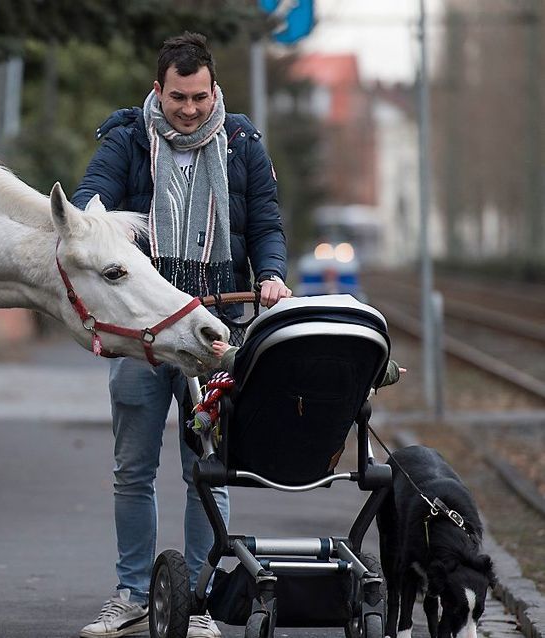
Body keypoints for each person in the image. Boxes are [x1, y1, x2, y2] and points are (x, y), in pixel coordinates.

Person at [70, 33, 292, 638]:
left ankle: (199, 599)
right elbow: (93, 203)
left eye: (199, 97)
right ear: (157, 91)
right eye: (177, 98)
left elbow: (266, 221)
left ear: (214, 89)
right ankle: (133, 593)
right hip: (143, 333)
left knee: (209, 470)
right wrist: (89, 221)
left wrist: (270, 273)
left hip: (216, 332)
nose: (189, 109)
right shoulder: (126, 138)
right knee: (132, 469)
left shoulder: (241, 141)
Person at [211, 340, 407, 387]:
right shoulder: (342, 371)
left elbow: (251, 367)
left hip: (268, 449)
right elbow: (368, 371)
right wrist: (391, 370)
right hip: (325, 456)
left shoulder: (283, 365)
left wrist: (229, 354)